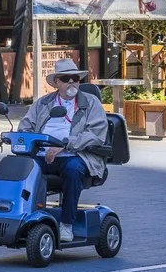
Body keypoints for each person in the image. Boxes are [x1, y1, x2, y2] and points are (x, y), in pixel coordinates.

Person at [17, 58, 109, 245]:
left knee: (73, 169)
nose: (71, 83)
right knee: (19, 166)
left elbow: (96, 134)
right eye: (66, 79)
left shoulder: (90, 103)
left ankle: (66, 223)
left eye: (75, 78)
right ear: (57, 82)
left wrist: (66, 145)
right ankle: (20, 215)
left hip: (78, 155)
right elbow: (25, 127)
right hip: (43, 154)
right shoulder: (43, 103)